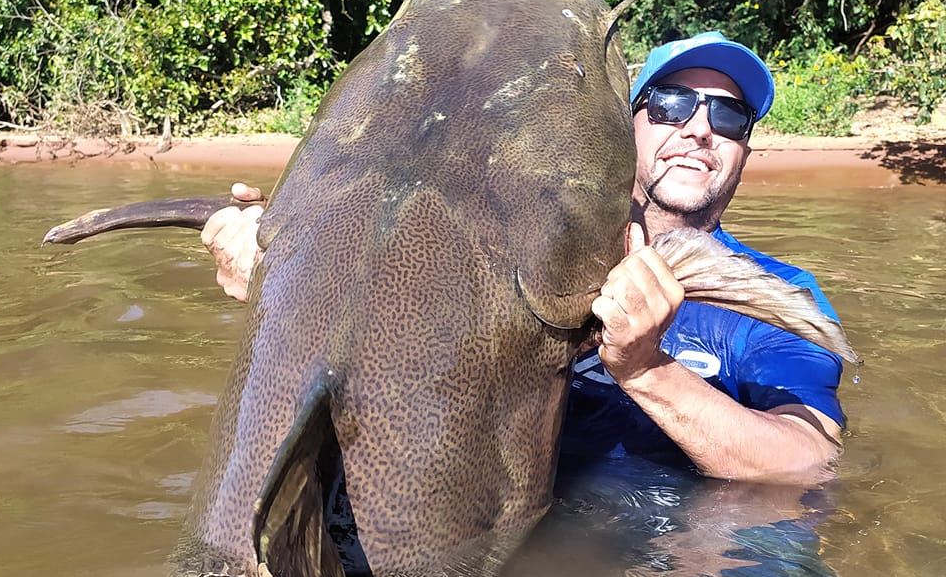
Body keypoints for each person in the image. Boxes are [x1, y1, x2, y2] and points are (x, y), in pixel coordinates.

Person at [201, 31, 848, 485]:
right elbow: (376, 349)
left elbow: (808, 464)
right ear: (624, 128)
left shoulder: (781, 294)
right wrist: (283, 266)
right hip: (479, 541)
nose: (700, 129)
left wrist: (648, 370)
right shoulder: (495, 246)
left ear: (745, 150)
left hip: (682, 554)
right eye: (673, 104)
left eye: (731, 118)